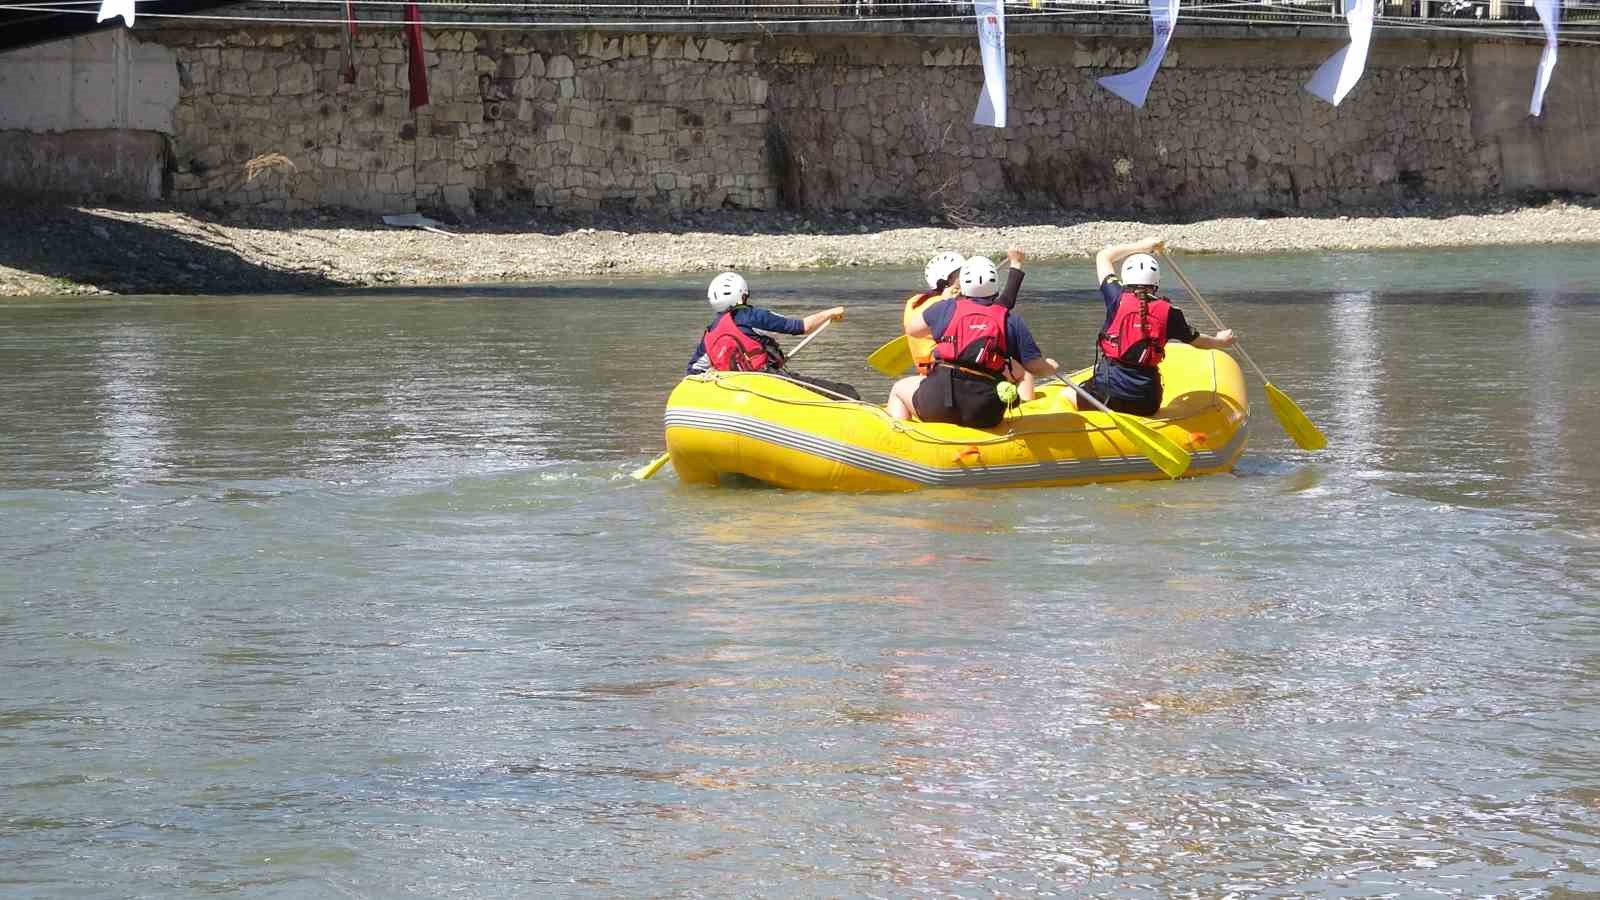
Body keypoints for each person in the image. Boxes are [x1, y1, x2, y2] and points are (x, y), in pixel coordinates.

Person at [886, 253, 1059, 429]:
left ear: (963, 285)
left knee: (899, 389)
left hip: (937, 403)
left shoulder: (944, 308)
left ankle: (903, 440)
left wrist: (942, 317)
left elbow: (912, 329)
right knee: (1021, 372)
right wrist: (1050, 367)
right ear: (995, 285)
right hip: (984, 411)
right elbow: (1035, 366)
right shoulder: (1011, 319)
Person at [1077, 236, 1235, 416]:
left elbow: (1104, 256)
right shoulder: (1171, 312)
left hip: (1107, 395)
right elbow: (1199, 341)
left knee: (1068, 395)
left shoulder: (1115, 296)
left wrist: (1142, 246)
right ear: (1157, 281)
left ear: (1126, 278)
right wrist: (1221, 341)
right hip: (1147, 402)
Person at [687, 271, 860, 400]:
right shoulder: (754, 316)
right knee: (847, 393)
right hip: (769, 383)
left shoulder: (710, 334)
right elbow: (801, 327)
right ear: (743, 295)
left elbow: (693, 372)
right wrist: (830, 313)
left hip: (733, 390)